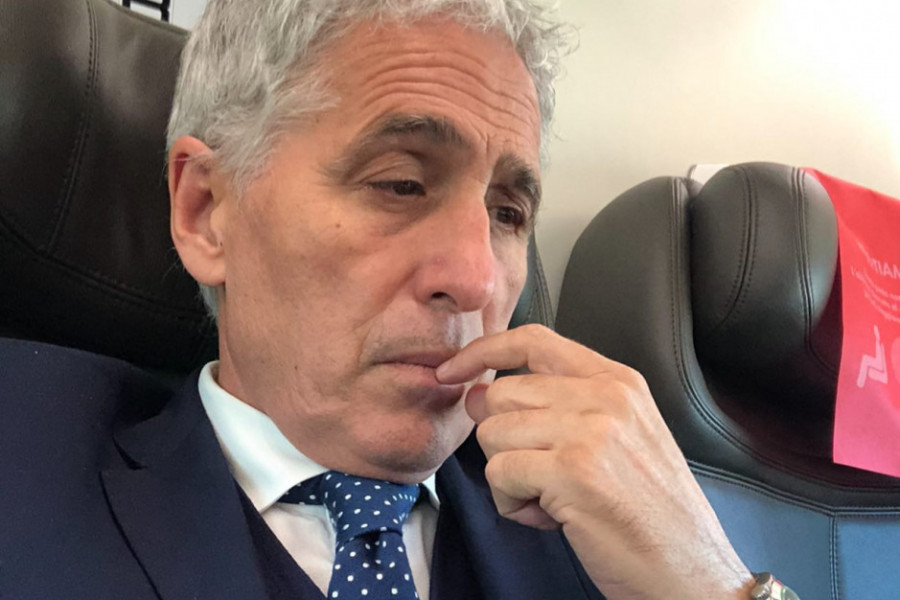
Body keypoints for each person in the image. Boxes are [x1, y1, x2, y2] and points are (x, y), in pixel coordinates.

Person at [0, 0, 793, 598]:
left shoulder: (604, 535)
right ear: (207, 212)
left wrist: (717, 588)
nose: (478, 280)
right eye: (401, 183)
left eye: (508, 214)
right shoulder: (24, 448)